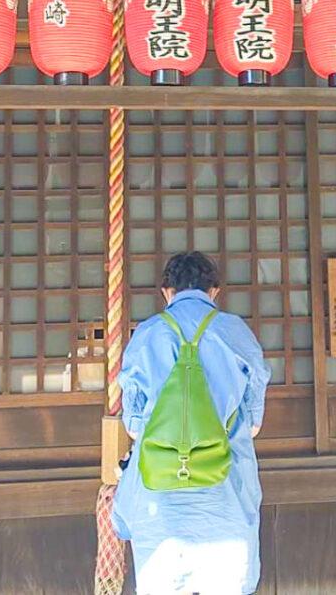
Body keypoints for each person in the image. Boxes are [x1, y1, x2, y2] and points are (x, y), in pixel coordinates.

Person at [113, 251, 271, 595]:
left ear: (166, 292)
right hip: (225, 484)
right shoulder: (235, 331)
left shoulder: (148, 333)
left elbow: (134, 426)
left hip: (160, 490)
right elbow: (253, 423)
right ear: (214, 291)